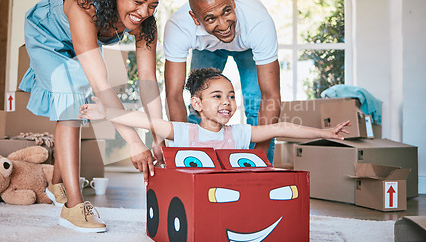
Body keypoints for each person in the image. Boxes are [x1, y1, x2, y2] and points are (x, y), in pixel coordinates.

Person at [19, 0, 166, 233]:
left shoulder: (146, 24)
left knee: (73, 97)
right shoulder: (82, 7)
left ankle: (56, 183)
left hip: (80, 39)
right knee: (71, 101)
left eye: (153, 5)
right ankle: (73, 207)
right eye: (138, 1)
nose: (144, 12)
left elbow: (148, 81)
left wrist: (157, 136)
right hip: (47, 34)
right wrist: (133, 141)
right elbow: (101, 85)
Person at [79, 68, 350, 151]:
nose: (227, 102)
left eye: (231, 96)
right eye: (217, 96)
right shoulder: (184, 133)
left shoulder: (239, 134)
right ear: (197, 105)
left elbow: (281, 128)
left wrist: (324, 132)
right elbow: (145, 120)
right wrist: (107, 113)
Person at [163, 0, 280, 163]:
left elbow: (271, 94)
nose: (224, 25)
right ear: (195, 18)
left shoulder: (258, 22)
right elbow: (174, 95)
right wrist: (184, 156)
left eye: (227, 12)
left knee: (256, 106)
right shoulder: (179, 27)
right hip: (207, 46)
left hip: (247, 46)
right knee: (199, 106)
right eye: (211, 18)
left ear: (232, 1)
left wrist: (260, 164)